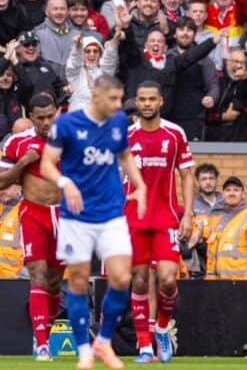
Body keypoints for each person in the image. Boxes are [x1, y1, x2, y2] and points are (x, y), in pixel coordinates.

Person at [40, 75, 147, 369]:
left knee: (122, 278)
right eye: (113, 99)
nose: (118, 105)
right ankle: (84, 350)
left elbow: (125, 155)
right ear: (96, 97)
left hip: (112, 213)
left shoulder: (118, 123)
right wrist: (65, 183)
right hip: (76, 216)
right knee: (77, 279)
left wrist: (140, 185)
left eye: (119, 99)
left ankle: (103, 341)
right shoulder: (67, 124)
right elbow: (46, 164)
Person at [125, 81, 195, 363]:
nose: (146, 104)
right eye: (142, 99)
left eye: (151, 99)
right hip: (134, 219)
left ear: (161, 101)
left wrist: (188, 214)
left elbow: (187, 175)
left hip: (165, 216)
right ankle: (144, 346)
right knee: (140, 281)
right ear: (137, 102)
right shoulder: (126, 135)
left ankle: (163, 328)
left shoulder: (174, 133)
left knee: (167, 280)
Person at [0, 93, 63, 361]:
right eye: (40, 118)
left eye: (50, 116)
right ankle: (42, 344)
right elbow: (2, 182)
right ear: (31, 117)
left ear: (57, 113)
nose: (46, 122)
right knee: (36, 273)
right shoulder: (18, 143)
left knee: (54, 282)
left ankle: (45, 330)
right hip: (34, 213)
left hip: (65, 217)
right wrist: (24, 163)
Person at [165, 16, 219, 141]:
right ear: (174, 34)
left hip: (194, 116)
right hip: (169, 114)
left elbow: (213, 83)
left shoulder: (204, 58)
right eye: (181, 29)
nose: (185, 33)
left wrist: (212, 97)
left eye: (189, 30)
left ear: (195, 35)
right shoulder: (167, 56)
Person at [202, 176, 247, 280]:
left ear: (243, 194)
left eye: (236, 190)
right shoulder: (218, 221)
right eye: (228, 190)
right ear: (223, 195)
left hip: (242, 289)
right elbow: (211, 257)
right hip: (218, 288)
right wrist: (210, 284)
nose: (231, 193)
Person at [66, 31, 121, 112]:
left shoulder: (104, 72)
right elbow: (74, 62)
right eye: (87, 51)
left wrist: (114, 42)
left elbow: (109, 60)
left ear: (100, 54)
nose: (92, 54)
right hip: (78, 118)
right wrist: (78, 48)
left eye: (95, 51)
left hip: (100, 117)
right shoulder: (75, 73)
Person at [188, 163, 225, 279]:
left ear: (217, 180)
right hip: (201, 258)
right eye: (204, 179)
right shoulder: (192, 205)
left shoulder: (226, 202)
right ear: (198, 182)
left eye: (211, 178)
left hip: (223, 254)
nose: (208, 182)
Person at [34, 0, 77, 79]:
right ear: (47, 12)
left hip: (73, 85)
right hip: (47, 85)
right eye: (55, 9)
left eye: (62, 9)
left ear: (68, 12)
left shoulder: (77, 34)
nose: (59, 12)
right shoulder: (37, 33)